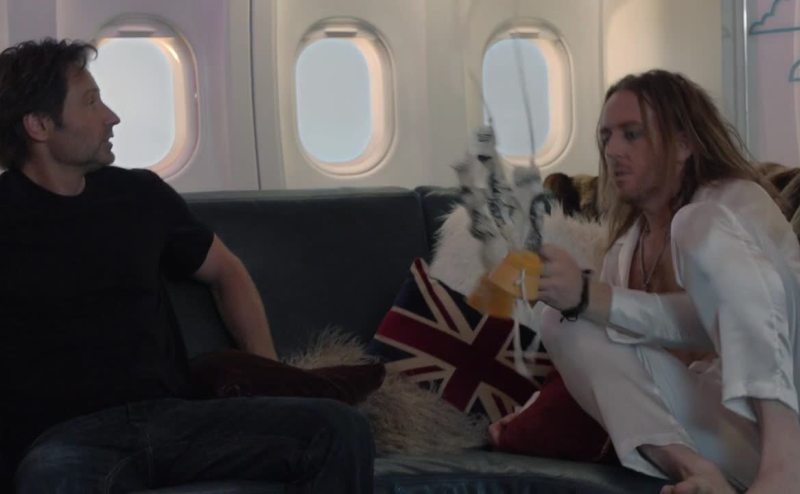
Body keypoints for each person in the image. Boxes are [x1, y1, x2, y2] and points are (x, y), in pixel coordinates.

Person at [0, 38, 374, 493]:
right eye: (91, 102)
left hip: (176, 420)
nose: (111, 117)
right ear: (39, 125)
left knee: (338, 429)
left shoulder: (140, 195)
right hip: (69, 438)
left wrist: (270, 376)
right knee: (52, 478)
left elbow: (226, 272)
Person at [493, 70, 800, 493]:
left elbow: (750, 318)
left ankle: (786, 465)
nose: (612, 150)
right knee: (561, 319)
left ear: (683, 144)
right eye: (606, 137)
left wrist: (594, 297)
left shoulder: (734, 203)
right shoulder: (623, 251)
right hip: (722, 434)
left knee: (692, 225)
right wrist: (529, 412)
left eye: (632, 134)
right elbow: (617, 368)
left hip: (788, 409)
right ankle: (696, 472)